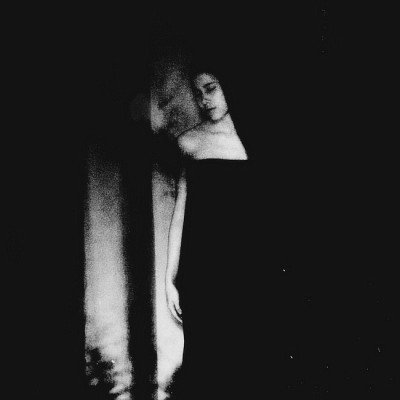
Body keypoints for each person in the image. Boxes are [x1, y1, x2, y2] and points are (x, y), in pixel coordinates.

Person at [164, 68, 274, 398]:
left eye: (210, 88)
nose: (204, 100)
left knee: (249, 367)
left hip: (250, 274)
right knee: (206, 367)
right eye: (197, 93)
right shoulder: (189, 142)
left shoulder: (258, 139)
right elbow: (180, 213)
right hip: (203, 275)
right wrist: (170, 277)